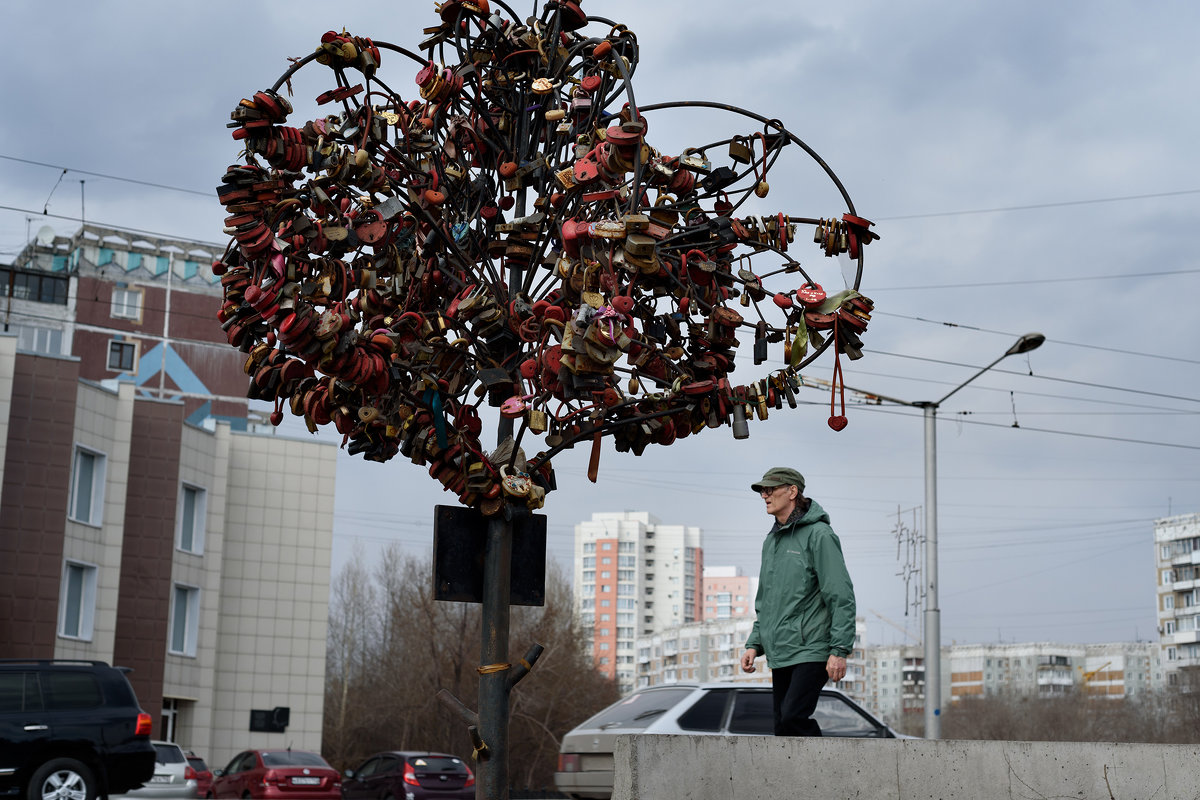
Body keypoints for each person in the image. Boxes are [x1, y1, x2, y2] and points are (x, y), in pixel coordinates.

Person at [740, 467, 856, 736]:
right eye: (762, 491)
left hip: (812, 646)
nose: (764, 495)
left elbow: (840, 594)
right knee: (782, 727)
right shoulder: (772, 542)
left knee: (793, 717)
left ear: (792, 491)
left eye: (771, 489)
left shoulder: (819, 535)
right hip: (782, 650)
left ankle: (827, 772)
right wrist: (754, 643)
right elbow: (767, 601)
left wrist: (839, 649)